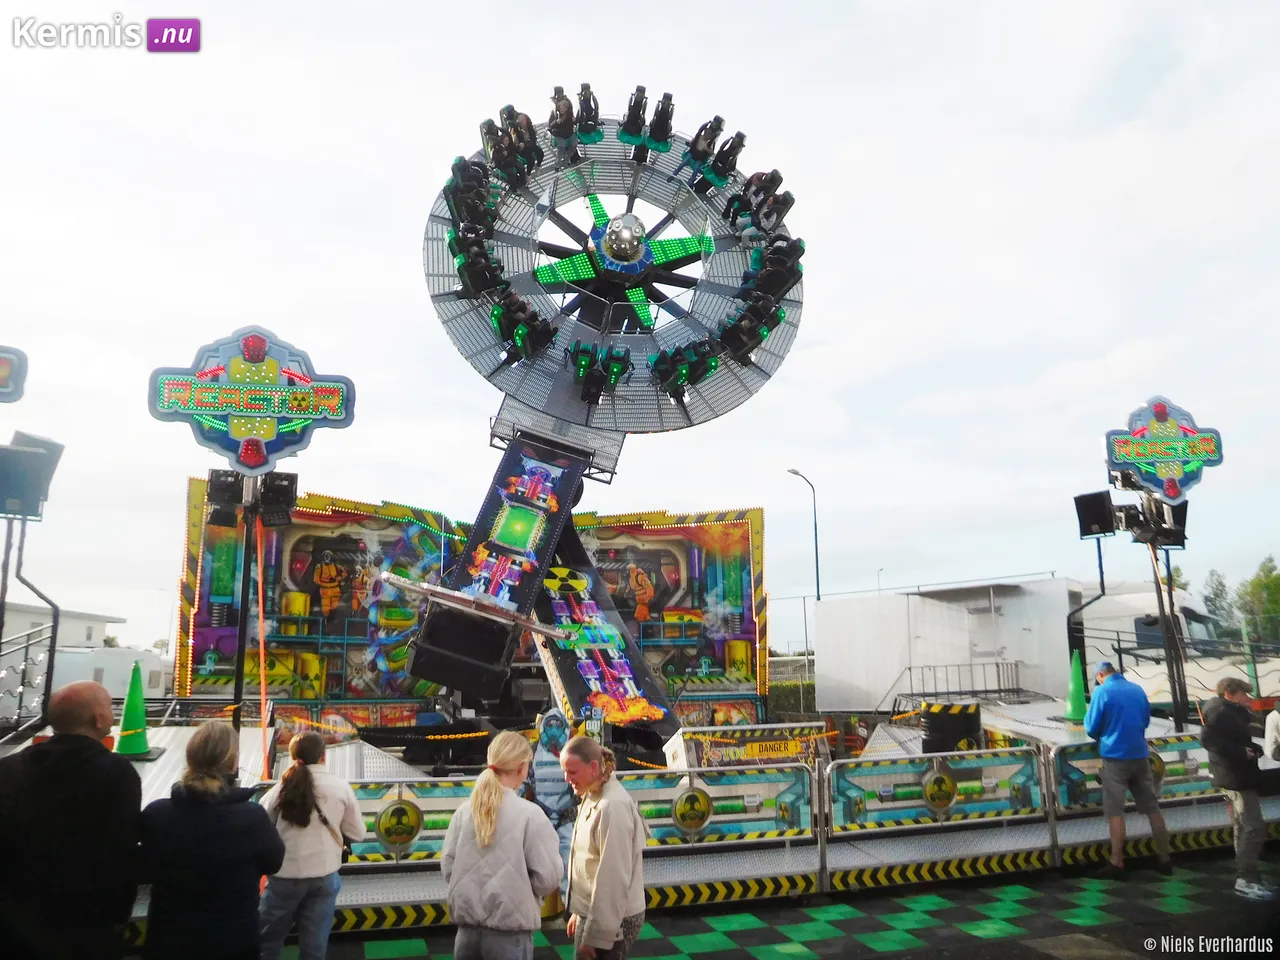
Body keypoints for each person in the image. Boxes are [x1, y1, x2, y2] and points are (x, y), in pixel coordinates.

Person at [0, 681, 141, 960]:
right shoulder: (117, 775)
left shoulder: (8, 769)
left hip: (15, 928)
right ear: (98, 718)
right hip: (84, 930)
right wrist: (118, 914)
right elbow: (120, 852)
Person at [140, 721, 285, 960]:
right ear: (233, 762)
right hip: (233, 939)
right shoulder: (251, 817)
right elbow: (273, 862)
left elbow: (147, 865)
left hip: (169, 939)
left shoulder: (157, 814)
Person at [442, 730, 563, 960]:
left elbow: (448, 868)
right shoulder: (530, 815)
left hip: (465, 938)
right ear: (522, 768)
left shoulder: (463, 812)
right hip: (510, 939)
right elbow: (548, 877)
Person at [258, 732, 364, 959]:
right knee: (314, 946)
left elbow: (262, 821)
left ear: (293, 757)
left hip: (283, 877)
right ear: (323, 757)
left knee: (267, 942)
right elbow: (358, 832)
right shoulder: (340, 787)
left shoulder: (280, 788)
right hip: (324, 876)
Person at [1083, 661, 1172, 876]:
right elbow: (1145, 720)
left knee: (1115, 811)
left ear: (1101, 675)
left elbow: (1091, 727)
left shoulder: (1102, 692)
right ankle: (1165, 858)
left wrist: (1104, 734)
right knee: (1152, 808)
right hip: (1140, 755)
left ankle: (1117, 862)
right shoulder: (1137, 689)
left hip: (1115, 758)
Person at [561, 737, 646, 960]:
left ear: (594, 767)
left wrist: (596, 938)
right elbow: (589, 861)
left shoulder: (612, 806)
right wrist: (579, 912)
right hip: (596, 914)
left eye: (572, 772)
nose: (566, 778)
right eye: (565, 771)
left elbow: (613, 880)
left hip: (613, 921)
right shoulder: (593, 792)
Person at [1201, 677, 1273, 900]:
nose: (1247, 698)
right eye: (1244, 694)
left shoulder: (1222, 710)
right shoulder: (1222, 712)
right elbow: (1209, 740)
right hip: (1236, 776)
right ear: (1229, 694)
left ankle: (1248, 876)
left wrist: (1251, 748)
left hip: (1231, 776)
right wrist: (1243, 753)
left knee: (1242, 826)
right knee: (1253, 827)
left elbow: (1224, 739)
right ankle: (1246, 877)